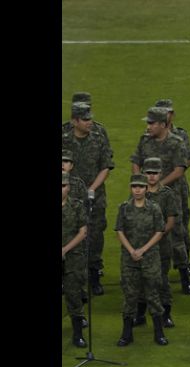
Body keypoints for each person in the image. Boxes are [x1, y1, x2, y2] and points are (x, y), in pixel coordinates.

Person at [130, 106, 190, 295]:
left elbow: (180, 169)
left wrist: (159, 186)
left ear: (162, 124)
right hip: (146, 197)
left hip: (170, 197)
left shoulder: (176, 142)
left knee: (177, 236)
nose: (148, 127)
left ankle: (185, 277)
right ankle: (148, 278)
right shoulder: (144, 140)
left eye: (151, 123)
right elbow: (136, 161)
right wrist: (140, 182)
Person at [62, 101, 114, 296]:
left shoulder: (98, 139)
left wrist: (91, 189)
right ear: (74, 121)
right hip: (66, 196)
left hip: (95, 197)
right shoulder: (64, 139)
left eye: (90, 118)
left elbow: (106, 166)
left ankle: (94, 276)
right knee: (67, 233)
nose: (90, 122)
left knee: (94, 235)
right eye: (85, 119)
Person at [114, 174, 168, 347]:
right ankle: (126, 334)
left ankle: (159, 333)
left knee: (153, 294)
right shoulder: (124, 208)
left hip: (150, 258)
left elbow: (159, 231)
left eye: (141, 187)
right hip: (129, 259)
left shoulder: (154, 208)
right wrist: (132, 250)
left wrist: (143, 249)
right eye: (134, 186)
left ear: (146, 188)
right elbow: (119, 230)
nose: (137, 190)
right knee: (130, 296)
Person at [133, 157, 181, 330]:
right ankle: (139, 314)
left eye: (155, 173)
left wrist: (157, 236)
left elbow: (170, 221)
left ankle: (165, 315)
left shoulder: (167, 194)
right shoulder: (137, 192)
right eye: (148, 173)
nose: (152, 177)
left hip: (161, 247)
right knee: (139, 281)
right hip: (140, 247)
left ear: (161, 174)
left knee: (161, 281)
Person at [155, 99, 190, 284]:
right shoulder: (149, 136)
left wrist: (165, 180)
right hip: (154, 191)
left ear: (172, 114)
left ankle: (184, 271)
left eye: (168, 111)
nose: (165, 114)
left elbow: (188, 159)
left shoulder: (180, 135)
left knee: (179, 230)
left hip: (177, 190)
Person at [62, 171, 88, 348]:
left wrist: (65, 249)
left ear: (68, 187)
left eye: (63, 186)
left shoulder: (77, 206)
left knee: (74, 295)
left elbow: (83, 231)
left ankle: (78, 335)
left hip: (72, 258)